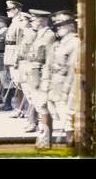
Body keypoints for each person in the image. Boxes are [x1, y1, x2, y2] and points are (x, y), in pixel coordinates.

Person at [36, 10, 78, 148]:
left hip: (64, 86)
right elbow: (48, 65)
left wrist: (66, 91)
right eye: (57, 24)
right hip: (52, 85)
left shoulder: (75, 43)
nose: (59, 27)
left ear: (72, 25)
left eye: (63, 24)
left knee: (67, 119)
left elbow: (73, 70)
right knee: (44, 110)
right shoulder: (57, 44)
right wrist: (44, 84)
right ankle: (44, 143)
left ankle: (72, 148)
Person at [23, 9, 56, 133]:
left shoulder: (49, 35)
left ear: (41, 20)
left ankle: (45, 130)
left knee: (42, 103)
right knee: (35, 100)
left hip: (41, 72)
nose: (32, 22)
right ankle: (35, 123)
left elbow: (49, 58)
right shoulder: (37, 34)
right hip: (33, 72)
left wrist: (46, 77)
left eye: (34, 19)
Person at [10, 12, 37, 118]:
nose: (19, 22)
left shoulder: (31, 33)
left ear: (28, 21)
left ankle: (31, 117)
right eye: (19, 20)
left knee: (29, 93)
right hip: (21, 64)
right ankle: (22, 110)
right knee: (21, 88)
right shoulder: (23, 33)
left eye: (22, 20)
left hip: (27, 64)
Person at [0, 0, 23, 112]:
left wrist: (17, 59)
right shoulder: (14, 22)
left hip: (14, 55)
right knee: (12, 81)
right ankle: (14, 106)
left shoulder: (20, 22)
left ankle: (20, 109)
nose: (7, 11)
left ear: (16, 9)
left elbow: (19, 42)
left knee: (18, 83)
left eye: (9, 9)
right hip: (9, 54)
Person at [0, 14, 9, 106]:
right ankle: (3, 100)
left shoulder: (6, 33)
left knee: (5, 81)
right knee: (2, 81)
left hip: (4, 58)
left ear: (4, 23)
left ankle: (7, 104)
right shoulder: (0, 33)